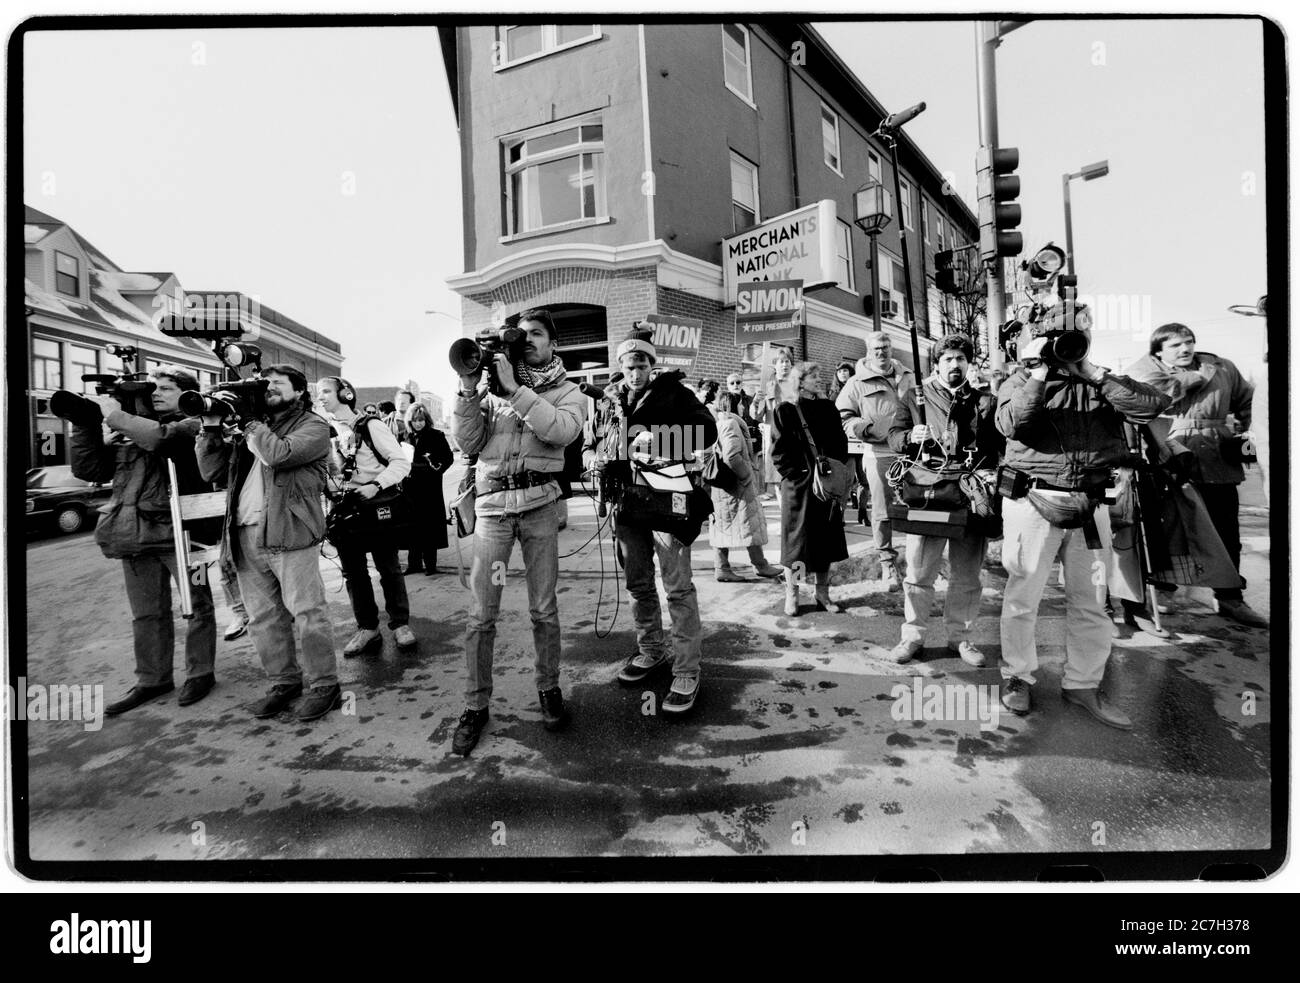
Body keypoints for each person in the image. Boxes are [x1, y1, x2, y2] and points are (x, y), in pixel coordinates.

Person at [996, 323, 1169, 729]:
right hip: (1031, 502)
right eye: (1057, 344)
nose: (1064, 351)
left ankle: (1083, 684)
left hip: (1091, 505)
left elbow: (1149, 406)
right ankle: (1017, 676)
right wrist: (1039, 371)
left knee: (1091, 602)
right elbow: (1012, 425)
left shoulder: (1101, 381)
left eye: (1071, 343)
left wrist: (1092, 371)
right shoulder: (1020, 380)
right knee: (1023, 597)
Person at [450, 309, 587, 755]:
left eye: (536, 334)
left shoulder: (570, 392)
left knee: (543, 610)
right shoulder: (490, 394)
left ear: (552, 344)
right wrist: (470, 390)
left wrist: (518, 391)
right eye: (522, 333)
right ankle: (475, 705)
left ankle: (548, 688)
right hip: (492, 513)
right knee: (480, 615)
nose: (527, 339)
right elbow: (468, 444)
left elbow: (561, 432)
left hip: (539, 510)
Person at [69, 366, 220, 714]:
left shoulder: (192, 423)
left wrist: (116, 416)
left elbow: (161, 439)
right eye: (153, 388)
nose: (156, 393)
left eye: (166, 388)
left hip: (184, 538)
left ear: (186, 392)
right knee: (145, 614)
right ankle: (153, 679)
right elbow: (89, 470)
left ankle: (201, 672)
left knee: (197, 606)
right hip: (134, 536)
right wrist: (85, 424)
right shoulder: (131, 429)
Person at [195, 364, 342, 722]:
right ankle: (284, 683)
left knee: (307, 612)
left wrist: (249, 422)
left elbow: (280, 455)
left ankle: (325, 685)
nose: (270, 389)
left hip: (290, 531)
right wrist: (211, 428)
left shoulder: (313, 426)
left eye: (278, 384)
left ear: (298, 391)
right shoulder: (248, 430)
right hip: (245, 532)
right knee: (263, 617)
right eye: (266, 385)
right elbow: (209, 471)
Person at [597, 328, 716, 715]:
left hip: (667, 503)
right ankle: (651, 650)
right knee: (638, 584)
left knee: (677, 588)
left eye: (642, 364)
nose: (635, 372)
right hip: (627, 506)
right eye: (629, 365)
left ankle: (686, 669)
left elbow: (706, 431)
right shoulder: (609, 399)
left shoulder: (674, 392)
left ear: (652, 364)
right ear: (620, 366)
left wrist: (657, 441)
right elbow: (593, 438)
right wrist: (590, 454)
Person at [1126, 323, 1266, 628]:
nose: (1185, 348)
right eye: (1175, 345)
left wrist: (1248, 432)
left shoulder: (1222, 367)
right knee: (1166, 531)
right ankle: (1163, 593)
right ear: (1158, 350)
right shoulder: (1145, 369)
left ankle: (1230, 598)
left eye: (1189, 342)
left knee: (1226, 531)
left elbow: (1248, 402)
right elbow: (1148, 400)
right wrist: (1194, 377)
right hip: (1168, 457)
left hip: (1218, 458)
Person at [884, 335, 1003, 665]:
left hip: (968, 493)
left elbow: (996, 447)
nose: (955, 364)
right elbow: (893, 437)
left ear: (968, 363)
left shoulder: (984, 401)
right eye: (948, 358)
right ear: (936, 364)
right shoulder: (913, 396)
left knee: (966, 576)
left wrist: (992, 474)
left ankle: (961, 638)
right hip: (930, 493)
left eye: (960, 358)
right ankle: (912, 637)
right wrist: (911, 437)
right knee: (919, 572)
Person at [317, 377, 416, 655]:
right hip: (344, 510)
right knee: (354, 574)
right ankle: (368, 628)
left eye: (325, 391)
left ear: (345, 394)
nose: (321, 397)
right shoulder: (322, 431)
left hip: (375, 504)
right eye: (317, 393)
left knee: (389, 568)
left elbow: (400, 463)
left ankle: (400, 624)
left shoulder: (371, 426)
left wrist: (376, 485)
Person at [837, 332, 914, 590]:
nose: (881, 352)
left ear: (892, 348)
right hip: (879, 452)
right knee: (882, 510)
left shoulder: (908, 376)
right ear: (868, 351)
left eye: (885, 347)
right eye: (876, 348)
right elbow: (844, 416)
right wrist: (864, 428)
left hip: (910, 451)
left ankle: (917, 559)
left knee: (918, 505)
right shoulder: (857, 382)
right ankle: (886, 563)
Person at [771, 362, 850, 616]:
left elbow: (841, 443)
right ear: (799, 381)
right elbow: (779, 451)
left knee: (825, 539)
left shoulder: (828, 408)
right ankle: (793, 594)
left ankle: (822, 593)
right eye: (813, 376)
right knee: (797, 544)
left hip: (826, 485)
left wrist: (833, 471)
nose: (819, 379)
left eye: (819, 375)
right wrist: (799, 475)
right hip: (800, 486)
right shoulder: (785, 410)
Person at [703, 381, 783, 582]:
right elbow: (732, 455)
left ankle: (729, 567)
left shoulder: (719, 422)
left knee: (726, 526)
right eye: (741, 404)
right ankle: (757, 565)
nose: (743, 407)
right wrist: (746, 475)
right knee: (749, 523)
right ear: (735, 405)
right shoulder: (730, 423)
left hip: (724, 486)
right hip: (737, 485)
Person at [403, 403, 454, 575]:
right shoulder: (404, 437)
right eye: (415, 420)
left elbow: (448, 458)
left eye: (421, 420)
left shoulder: (436, 436)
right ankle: (414, 564)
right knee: (412, 527)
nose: (418, 423)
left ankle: (430, 565)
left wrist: (436, 470)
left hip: (429, 488)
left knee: (429, 527)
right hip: (409, 488)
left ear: (427, 420)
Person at [751, 345, 795, 500]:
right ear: (775, 365)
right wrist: (756, 402)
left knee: (796, 477)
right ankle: (785, 516)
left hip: (796, 437)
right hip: (775, 438)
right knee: (778, 480)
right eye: (781, 361)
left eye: (787, 361)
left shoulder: (799, 386)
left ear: (791, 364)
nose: (784, 364)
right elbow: (757, 415)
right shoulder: (767, 387)